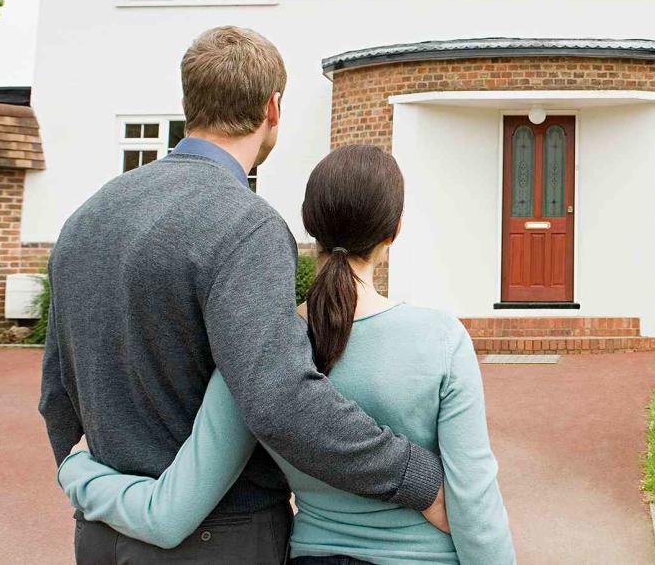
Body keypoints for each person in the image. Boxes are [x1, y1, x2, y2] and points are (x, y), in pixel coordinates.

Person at [40, 27, 447, 564]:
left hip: (99, 533)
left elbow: (56, 394)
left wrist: (88, 480)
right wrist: (418, 478)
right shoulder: (244, 225)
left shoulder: (87, 218)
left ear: (191, 104)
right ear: (272, 107)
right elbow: (280, 399)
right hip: (218, 538)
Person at [56, 144, 516, 564]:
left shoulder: (260, 349)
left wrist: (77, 471)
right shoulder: (440, 339)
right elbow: (474, 504)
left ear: (309, 225)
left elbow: (168, 514)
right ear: (394, 231)